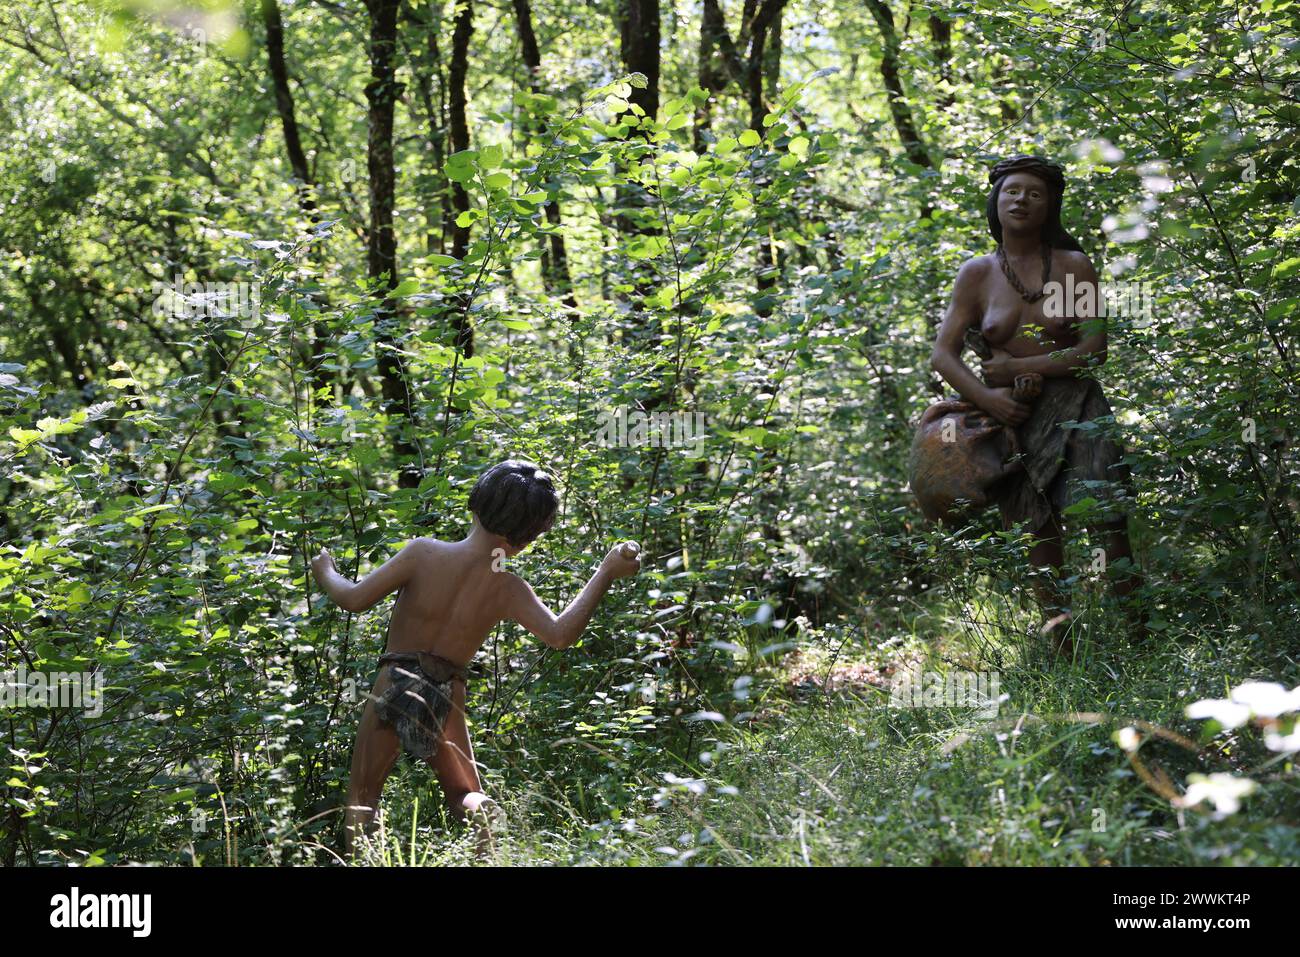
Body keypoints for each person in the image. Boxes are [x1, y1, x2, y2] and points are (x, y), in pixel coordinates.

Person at [310, 459, 641, 856]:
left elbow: (353, 598)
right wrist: (605, 570)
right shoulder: (508, 588)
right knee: (465, 792)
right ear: (529, 535)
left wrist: (325, 569)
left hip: (394, 680)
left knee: (364, 794)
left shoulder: (423, 553)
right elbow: (559, 634)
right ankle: (485, 843)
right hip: (447, 691)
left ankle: (367, 862)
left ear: (477, 502)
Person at [929, 155, 1141, 656]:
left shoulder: (1072, 266)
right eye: (1011, 191)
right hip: (1012, 417)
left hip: (1079, 406)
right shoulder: (977, 274)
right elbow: (943, 353)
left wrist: (1027, 367)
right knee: (1036, 530)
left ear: (1050, 207)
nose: (1021, 200)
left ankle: (1138, 639)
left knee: (1108, 516)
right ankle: (1063, 649)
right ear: (996, 201)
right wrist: (988, 398)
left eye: (1034, 193)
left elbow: (1094, 349)